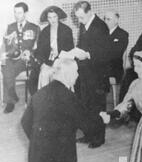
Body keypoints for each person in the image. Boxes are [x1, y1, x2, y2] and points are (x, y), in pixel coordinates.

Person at [74, 1, 111, 149]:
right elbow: (82, 45)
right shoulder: (84, 24)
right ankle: (89, 134)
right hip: (85, 72)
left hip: (98, 74)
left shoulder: (100, 26)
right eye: (78, 18)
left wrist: (87, 54)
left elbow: (104, 53)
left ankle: (99, 137)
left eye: (81, 17)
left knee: (97, 106)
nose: (79, 21)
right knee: (86, 104)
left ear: (90, 11)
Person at [2, 2, 39, 113]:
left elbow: (38, 47)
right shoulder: (10, 27)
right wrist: (5, 49)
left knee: (7, 70)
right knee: (5, 65)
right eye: (15, 12)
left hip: (25, 60)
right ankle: (11, 97)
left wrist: (30, 52)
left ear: (25, 13)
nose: (17, 15)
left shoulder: (34, 28)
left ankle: (10, 99)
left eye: (19, 13)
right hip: (12, 58)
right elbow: (6, 46)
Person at [30, 6, 74, 92]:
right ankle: (46, 101)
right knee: (44, 73)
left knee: (61, 74)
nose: (52, 20)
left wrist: (59, 59)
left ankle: (64, 100)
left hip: (63, 61)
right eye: (49, 17)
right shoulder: (44, 32)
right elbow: (40, 51)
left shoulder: (66, 30)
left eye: (54, 17)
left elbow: (70, 50)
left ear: (58, 17)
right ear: (47, 19)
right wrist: (42, 63)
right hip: (48, 61)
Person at [104, 9, 129, 83]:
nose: (105, 21)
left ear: (116, 20)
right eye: (104, 19)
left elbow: (116, 55)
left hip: (114, 71)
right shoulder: (102, 33)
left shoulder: (123, 34)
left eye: (108, 19)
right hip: (102, 69)